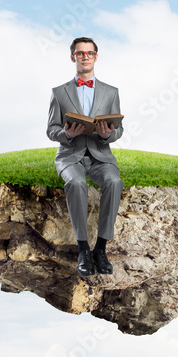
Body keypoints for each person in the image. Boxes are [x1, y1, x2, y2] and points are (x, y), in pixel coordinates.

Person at [46, 37, 124, 276]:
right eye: (80, 53)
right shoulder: (59, 92)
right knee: (76, 182)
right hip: (71, 156)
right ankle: (82, 249)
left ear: (96, 57)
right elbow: (51, 129)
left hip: (100, 155)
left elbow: (118, 130)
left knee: (114, 181)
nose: (85, 57)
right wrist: (66, 134)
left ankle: (100, 249)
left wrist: (105, 135)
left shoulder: (112, 92)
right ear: (73, 57)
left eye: (90, 53)